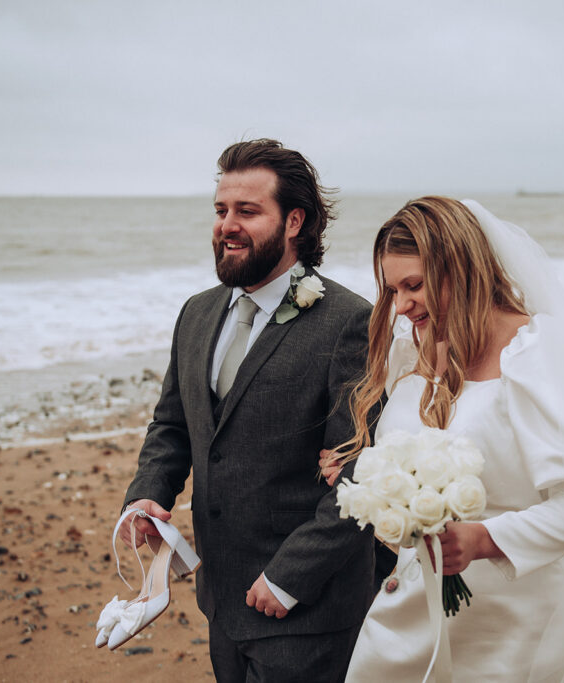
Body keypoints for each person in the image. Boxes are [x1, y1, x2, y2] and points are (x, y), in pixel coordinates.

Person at [335, 197, 564, 682]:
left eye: (415, 285)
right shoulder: (416, 353)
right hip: (415, 613)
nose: (402, 305)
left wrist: (486, 538)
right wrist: (370, 483)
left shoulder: (541, 354)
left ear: (463, 269)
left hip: (524, 626)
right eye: (392, 289)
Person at [119, 139, 379, 682]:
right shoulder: (196, 313)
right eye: (220, 210)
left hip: (308, 610)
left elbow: (362, 476)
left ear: (294, 222)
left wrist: (289, 579)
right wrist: (149, 493)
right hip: (222, 602)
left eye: (247, 211)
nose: (227, 225)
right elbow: (172, 426)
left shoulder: (351, 322)